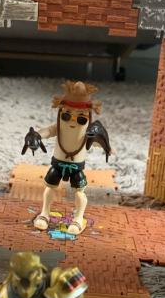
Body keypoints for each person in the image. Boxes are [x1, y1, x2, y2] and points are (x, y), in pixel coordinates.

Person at [22, 81, 111, 236]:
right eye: (67, 115)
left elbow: (98, 141)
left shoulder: (88, 130)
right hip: (58, 162)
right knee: (50, 187)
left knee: (79, 192)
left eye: (81, 118)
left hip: (76, 165)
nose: (72, 120)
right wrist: (36, 135)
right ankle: (44, 213)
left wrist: (106, 145)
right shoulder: (59, 125)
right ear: (61, 111)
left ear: (88, 116)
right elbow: (48, 131)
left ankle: (78, 218)